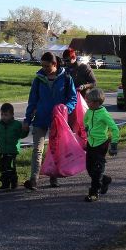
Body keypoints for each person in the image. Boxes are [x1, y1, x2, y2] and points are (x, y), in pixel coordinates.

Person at [23, 51, 78, 190]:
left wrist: (65, 109)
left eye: (47, 66)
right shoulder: (38, 79)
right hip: (40, 119)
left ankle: (54, 177)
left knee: (54, 150)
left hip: (58, 120)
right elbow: (32, 100)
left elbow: (73, 98)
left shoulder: (66, 78)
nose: (44, 69)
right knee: (37, 150)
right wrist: (27, 119)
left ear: (55, 64)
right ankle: (34, 180)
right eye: (42, 66)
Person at [83, 88, 120, 202]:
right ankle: (105, 180)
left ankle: (94, 193)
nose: (87, 104)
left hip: (101, 144)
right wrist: (87, 129)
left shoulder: (104, 114)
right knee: (90, 169)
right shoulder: (89, 111)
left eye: (89, 102)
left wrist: (114, 144)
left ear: (97, 102)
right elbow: (86, 121)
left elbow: (114, 129)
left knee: (97, 170)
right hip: (91, 143)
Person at [0, 102, 23, 189]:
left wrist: (25, 130)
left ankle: (13, 181)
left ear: (12, 115)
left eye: (6, 115)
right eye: (2, 115)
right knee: (2, 166)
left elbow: (22, 134)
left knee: (10, 167)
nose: (4, 117)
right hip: (2, 150)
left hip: (12, 150)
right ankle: (5, 183)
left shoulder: (17, 125)